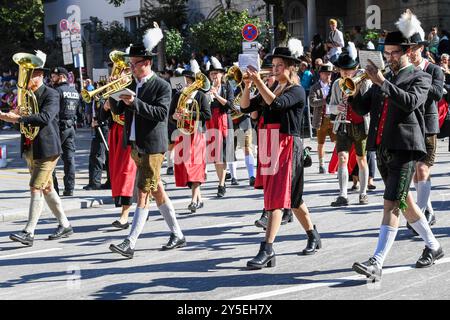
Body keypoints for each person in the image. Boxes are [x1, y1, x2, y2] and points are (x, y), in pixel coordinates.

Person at [350, 11, 444, 281]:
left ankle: (376, 262)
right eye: (387, 52)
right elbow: (362, 107)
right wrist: (355, 89)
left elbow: (410, 102)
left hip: (404, 148)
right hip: (381, 147)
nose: (388, 57)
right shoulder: (384, 78)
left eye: (393, 53)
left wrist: (381, 81)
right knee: (405, 203)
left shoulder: (420, 76)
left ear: (407, 52)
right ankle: (434, 247)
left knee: (391, 203)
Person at [241, 39, 322, 269]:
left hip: (287, 145)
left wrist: (259, 82)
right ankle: (313, 236)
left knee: (276, 199)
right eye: (273, 65)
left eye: (278, 65)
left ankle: (267, 249)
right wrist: (248, 85)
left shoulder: (296, 90)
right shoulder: (273, 87)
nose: (274, 69)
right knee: (294, 199)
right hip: (269, 143)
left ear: (290, 67)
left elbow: (276, 105)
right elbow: (246, 108)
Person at [109, 25, 186, 259]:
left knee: (142, 193)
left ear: (147, 63)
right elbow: (118, 109)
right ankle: (178, 234)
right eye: (130, 64)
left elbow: (161, 113)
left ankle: (130, 242)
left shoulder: (161, 85)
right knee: (157, 189)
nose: (130, 67)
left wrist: (134, 102)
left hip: (153, 145)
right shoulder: (132, 84)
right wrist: (113, 95)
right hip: (135, 144)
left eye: (134, 63)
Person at [0, 51, 73, 246]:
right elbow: (22, 121)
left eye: (29, 74)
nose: (25, 79)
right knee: (47, 188)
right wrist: (8, 116)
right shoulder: (27, 95)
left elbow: (45, 118)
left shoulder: (51, 94)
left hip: (48, 148)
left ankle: (29, 231)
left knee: (36, 187)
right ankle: (65, 224)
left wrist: (19, 118)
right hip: (31, 147)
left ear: (40, 75)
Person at [407, 23, 445, 228]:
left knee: (422, 169)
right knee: (416, 172)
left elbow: (438, 94)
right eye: (408, 49)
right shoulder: (406, 70)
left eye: (414, 48)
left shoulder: (434, 70)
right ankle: (428, 210)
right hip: (411, 125)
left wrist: (417, 78)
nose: (411, 53)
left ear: (421, 48)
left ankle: (419, 216)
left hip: (428, 125)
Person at [329, 42, 371, 207]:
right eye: (342, 70)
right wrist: (336, 107)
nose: (345, 72)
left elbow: (368, 103)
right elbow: (330, 106)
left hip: (360, 123)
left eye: (348, 70)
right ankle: (343, 194)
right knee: (342, 158)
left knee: (361, 159)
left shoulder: (363, 82)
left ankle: (363, 193)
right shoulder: (336, 84)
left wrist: (357, 88)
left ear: (355, 69)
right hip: (343, 124)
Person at [170, 70, 211, 213]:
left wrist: (190, 114)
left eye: (189, 81)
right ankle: (199, 198)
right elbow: (170, 115)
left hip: (197, 133)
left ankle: (193, 200)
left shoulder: (200, 96)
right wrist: (175, 116)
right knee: (186, 168)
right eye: (185, 81)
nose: (187, 83)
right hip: (182, 134)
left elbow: (207, 115)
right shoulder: (177, 96)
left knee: (195, 167)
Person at [205, 56, 235, 198]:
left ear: (222, 74)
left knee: (222, 156)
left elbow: (230, 105)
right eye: (212, 74)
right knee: (216, 157)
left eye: (216, 73)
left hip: (224, 121)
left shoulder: (227, 86)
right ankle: (221, 181)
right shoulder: (206, 88)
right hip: (211, 122)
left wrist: (216, 95)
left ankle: (221, 184)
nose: (214, 76)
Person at [50, 67, 79, 197]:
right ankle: (69, 188)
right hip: (71, 127)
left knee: (51, 158)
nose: (52, 78)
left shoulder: (56, 91)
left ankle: (54, 189)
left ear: (62, 76)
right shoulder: (74, 91)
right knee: (69, 159)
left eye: (54, 76)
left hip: (59, 127)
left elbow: (53, 112)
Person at [309, 62, 335, 174]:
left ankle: (336, 163)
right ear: (320, 74)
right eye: (325, 73)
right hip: (321, 119)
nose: (328, 76)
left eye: (329, 74)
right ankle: (321, 164)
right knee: (321, 143)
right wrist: (325, 100)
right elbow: (312, 102)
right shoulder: (315, 87)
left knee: (338, 142)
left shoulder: (334, 85)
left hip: (333, 118)